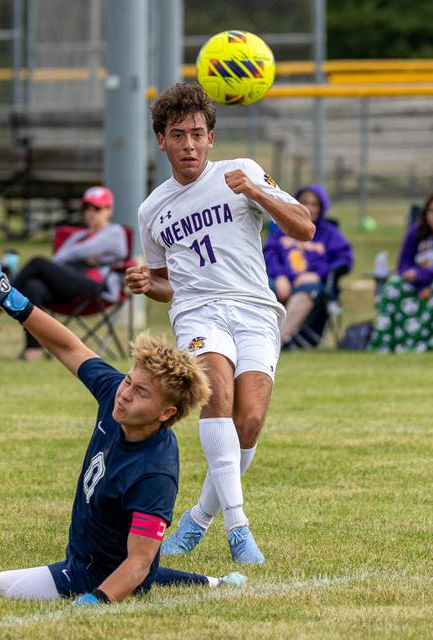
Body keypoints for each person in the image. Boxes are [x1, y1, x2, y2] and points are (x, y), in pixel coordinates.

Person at [0, 244, 245, 603]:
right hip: (96, 559)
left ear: (167, 414)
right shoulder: (115, 396)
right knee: (146, 573)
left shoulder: (155, 472)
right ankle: (214, 584)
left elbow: (139, 563)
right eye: (129, 380)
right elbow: (69, 346)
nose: (125, 393)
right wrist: (14, 301)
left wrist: (97, 601)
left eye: (141, 393)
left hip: (85, 573)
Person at [125, 83, 314, 564]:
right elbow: (171, 282)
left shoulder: (242, 171)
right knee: (219, 399)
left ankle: (198, 519)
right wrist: (150, 283)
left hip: (255, 308)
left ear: (211, 137)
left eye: (197, 134)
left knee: (248, 421)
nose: (188, 145)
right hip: (198, 312)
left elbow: (304, 227)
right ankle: (238, 528)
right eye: (177, 135)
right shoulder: (152, 209)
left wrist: (254, 191)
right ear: (160, 140)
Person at [0, 186, 128, 361]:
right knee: (33, 287)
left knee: (37, 262)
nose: (91, 213)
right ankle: (33, 350)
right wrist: (81, 257)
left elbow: (72, 254)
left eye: (97, 208)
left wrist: (79, 256)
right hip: (67, 288)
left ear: (109, 210)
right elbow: (61, 258)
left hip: (96, 288)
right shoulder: (78, 236)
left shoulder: (115, 233)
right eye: (87, 207)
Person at [263, 184, 354, 346]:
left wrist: (319, 274)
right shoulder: (282, 228)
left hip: (311, 285)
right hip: (280, 281)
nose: (309, 208)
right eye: (304, 202)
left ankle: (277, 341)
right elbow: (268, 254)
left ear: (321, 208)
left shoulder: (329, 233)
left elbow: (344, 259)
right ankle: (255, 337)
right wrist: (279, 276)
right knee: (261, 287)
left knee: (309, 290)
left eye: (314, 204)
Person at [369, 191, 433, 352]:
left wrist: (422, 277)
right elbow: (404, 264)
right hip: (417, 285)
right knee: (393, 285)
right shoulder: (415, 232)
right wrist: (420, 285)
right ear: (425, 213)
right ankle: (387, 344)